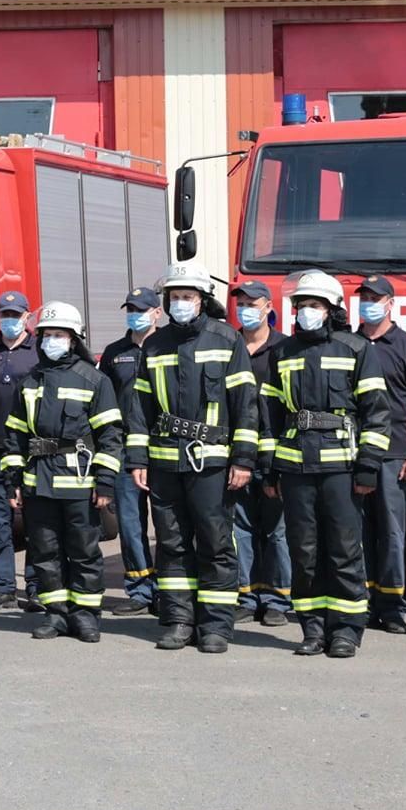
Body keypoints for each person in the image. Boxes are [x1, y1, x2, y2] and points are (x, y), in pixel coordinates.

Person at [121, 263, 260, 653]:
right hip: (165, 463)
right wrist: (138, 459)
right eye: (174, 297)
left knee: (215, 543)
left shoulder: (227, 339)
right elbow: (140, 408)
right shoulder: (155, 344)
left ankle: (216, 626)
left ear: (201, 300)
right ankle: (180, 620)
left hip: (213, 463)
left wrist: (243, 459)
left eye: (187, 296)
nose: (180, 303)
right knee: (171, 543)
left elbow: (245, 405)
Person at [260, 271, 392, 659]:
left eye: (315, 305)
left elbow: (377, 414)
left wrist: (368, 465)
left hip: (342, 469)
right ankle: (312, 628)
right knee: (304, 551)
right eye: (302, 306)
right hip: (295, 468)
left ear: (332, 309)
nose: (306, 312)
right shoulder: (282, 353)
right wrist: (268, 467)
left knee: (344, 551)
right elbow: (268, 415)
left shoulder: (355, 349)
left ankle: (347, 631)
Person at [3, 302, 123, 643]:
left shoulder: (94, 380)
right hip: (38, 483)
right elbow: (14, 436)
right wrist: (14, 481)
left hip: (80, 483)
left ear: (74, 339)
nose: (50, 341)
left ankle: (86, 616)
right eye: (46, 335)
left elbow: (110, 436)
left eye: (58, 335)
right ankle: (56, 614)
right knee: (44, 552)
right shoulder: (29, 382)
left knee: (84, 552)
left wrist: (106, 482)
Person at [353, 274, 406, 635]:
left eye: (375, 297)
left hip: (393, 454)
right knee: (354, 533)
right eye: (363, 297)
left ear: (390, 303)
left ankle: (390, 607)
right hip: (351, 453)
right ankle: (359, 602)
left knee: (390, 533)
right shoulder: (346, 343)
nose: (368, 302)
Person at [231, 280, 293, 628]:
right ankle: (246, 594)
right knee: (240, 527)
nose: (245, 309)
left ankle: (277, 599)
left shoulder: (284, 348)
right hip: (236, 454)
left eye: (252, 303)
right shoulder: (229, 344)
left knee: (276, 530)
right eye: (241, 303)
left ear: (268, 306)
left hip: (274, 452)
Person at [100, 288, 161, 614]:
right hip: (125, 448)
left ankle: (169, 590)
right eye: (131, 309)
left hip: (164, 445)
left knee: (168, 525)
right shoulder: (114, 353)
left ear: (157, 313)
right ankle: (140, 591)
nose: (135, 314)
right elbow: (103, 401)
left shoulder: (169, 346)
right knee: (130, 523)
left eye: (142, 309)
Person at [0, 290, 40, 612]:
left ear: (27, 317)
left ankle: (35, 586)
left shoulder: (39, 352)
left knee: (35, 522)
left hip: (33, 449)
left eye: (16, 315)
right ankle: (3, 587)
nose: (10, 320)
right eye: (4, 315)